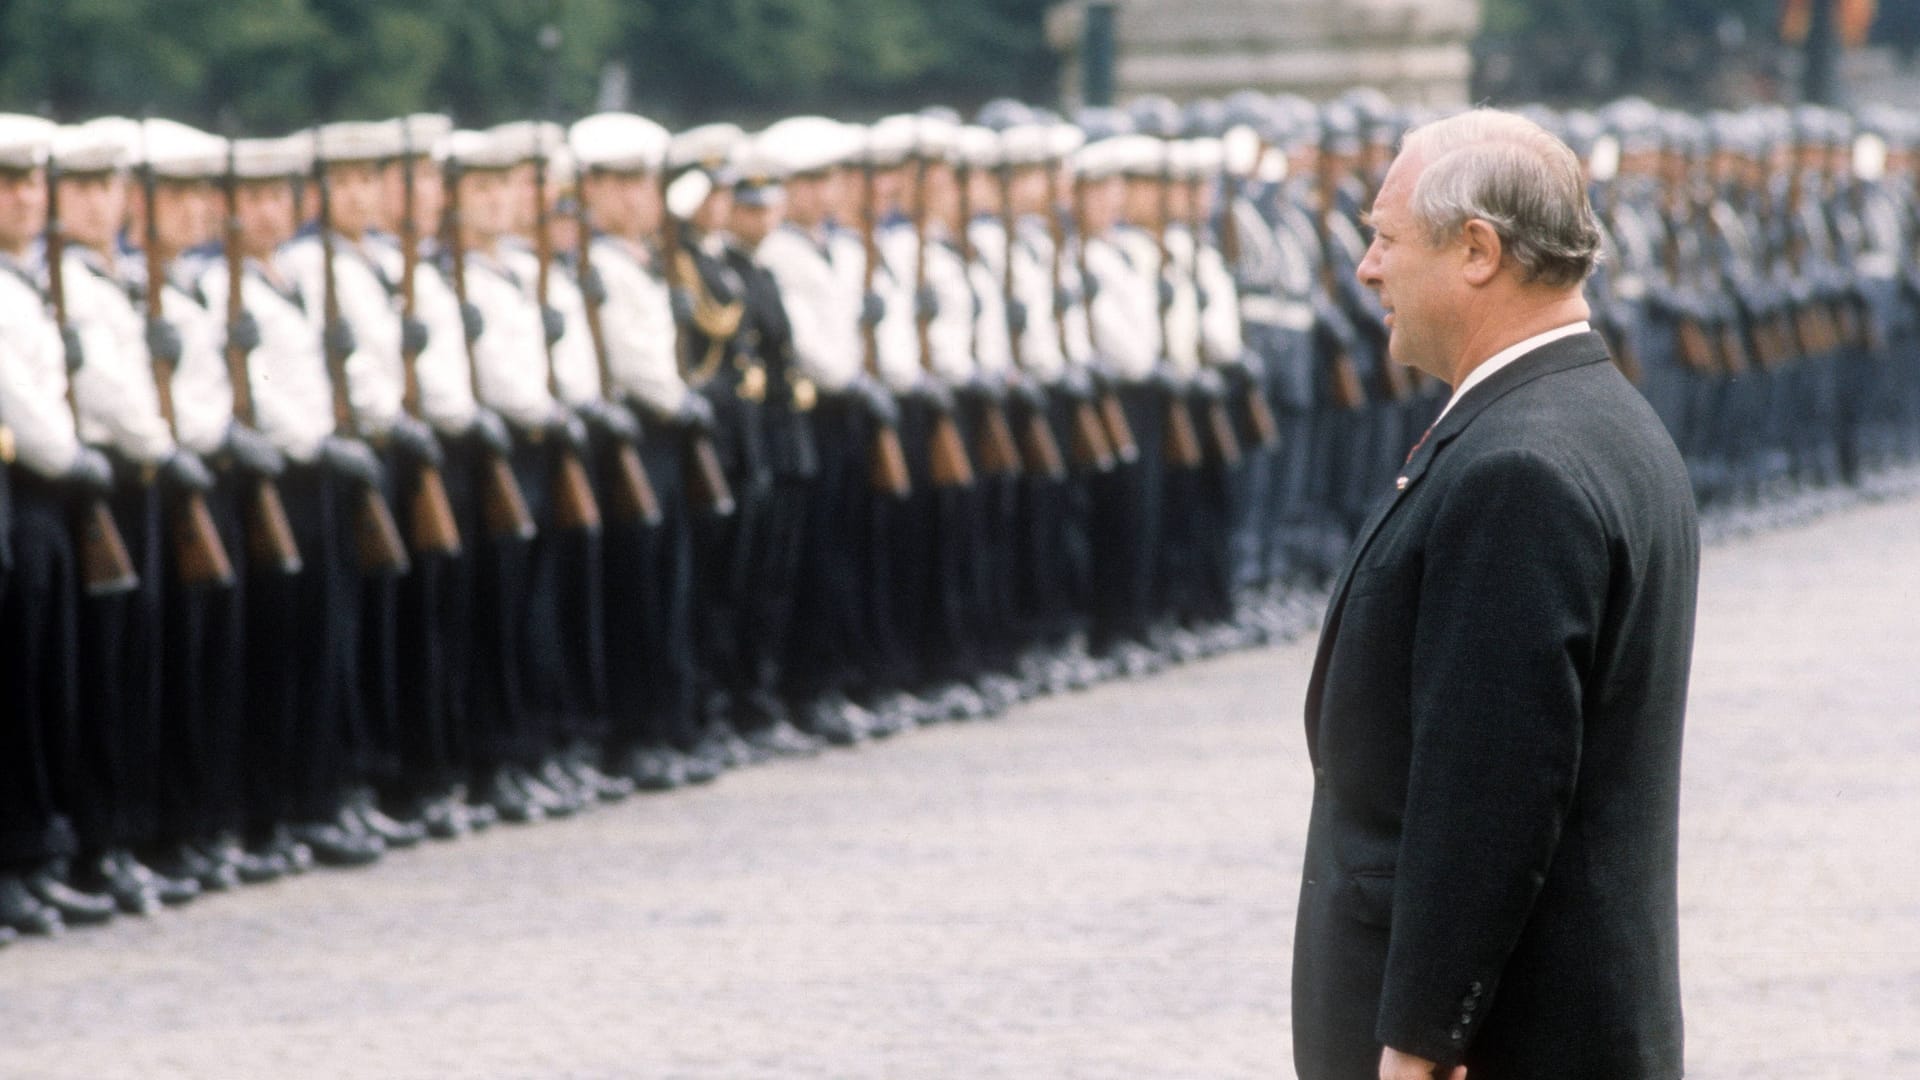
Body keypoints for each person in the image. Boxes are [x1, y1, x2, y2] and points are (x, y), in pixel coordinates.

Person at [1291, 109, 1698, 1079]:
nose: (1367, 271)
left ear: (1477, 249)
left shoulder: (1520, 465)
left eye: (1386, 239)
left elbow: (1489, 791)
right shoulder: (1594, 418)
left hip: (1506, 1047)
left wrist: (1422, 1041)